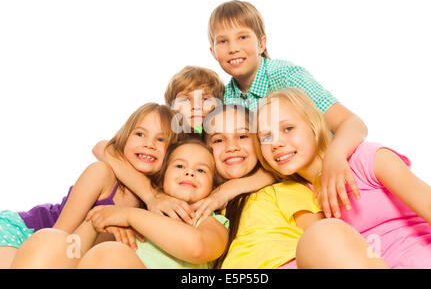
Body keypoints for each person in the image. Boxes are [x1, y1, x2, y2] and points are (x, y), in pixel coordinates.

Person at [255, 87, 431, 269]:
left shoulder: (365, 159)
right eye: (265, 137)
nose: (276, 143)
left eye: (288, 128)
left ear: (313, 125)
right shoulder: (296, 200)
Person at [207, 0, 367, 220]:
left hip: (332, 173)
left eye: (243, 37)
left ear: (262, 43)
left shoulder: (286, 76)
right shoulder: (227, 98)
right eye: (223, 41)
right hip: (293, 188)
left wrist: (335, 156)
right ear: (213, 51)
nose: (233, 47)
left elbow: (352, 123)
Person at [203, 104, 388, 269]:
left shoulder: (284, 191)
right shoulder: (211, 210)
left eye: (242, 135)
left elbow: (327, 244)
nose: (231, 147)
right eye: (218, 140)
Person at [92, 65, 274, 225]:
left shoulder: (220, 142)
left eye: (205, 99)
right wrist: (152, 196)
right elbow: (102, 147)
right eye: (185, 100)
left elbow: (270, 171)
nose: (195, 107)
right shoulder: (165, 136)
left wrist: (225, 192)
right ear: (171, 108)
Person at [11, 138, 229, 269]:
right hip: (97, 258)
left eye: (201, 170)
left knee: (109, 255)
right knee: (49, 239)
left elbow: (198, 248)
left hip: (112, 260)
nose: (190, 172)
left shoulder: (209, 220)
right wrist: (99, 220)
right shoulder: (140, 213)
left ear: (214, 185)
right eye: (180, 166)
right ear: (161, 179)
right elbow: (79, 252)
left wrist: (128, 216)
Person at [7, 102, 178, 268]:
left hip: (73, 255)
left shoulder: (158, 205)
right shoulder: (102, 173)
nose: (149, 144)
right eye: (140, 134)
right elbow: (57, 240)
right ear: (125, 137)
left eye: (161, 139)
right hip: (26, 231)